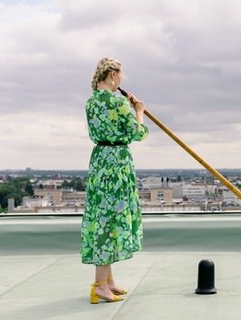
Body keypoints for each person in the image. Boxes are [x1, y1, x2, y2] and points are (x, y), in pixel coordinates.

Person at [81, 57, 149, 304]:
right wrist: (138, 111)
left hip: (99, 160)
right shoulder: (117, 102)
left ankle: (107, 280)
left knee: (102, 215)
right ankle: (100, 284)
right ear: (112, 74)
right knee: (109, 221)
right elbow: (137, 133)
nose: (121, 80)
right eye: (120, 75)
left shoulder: (91, 102)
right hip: (117, 163)